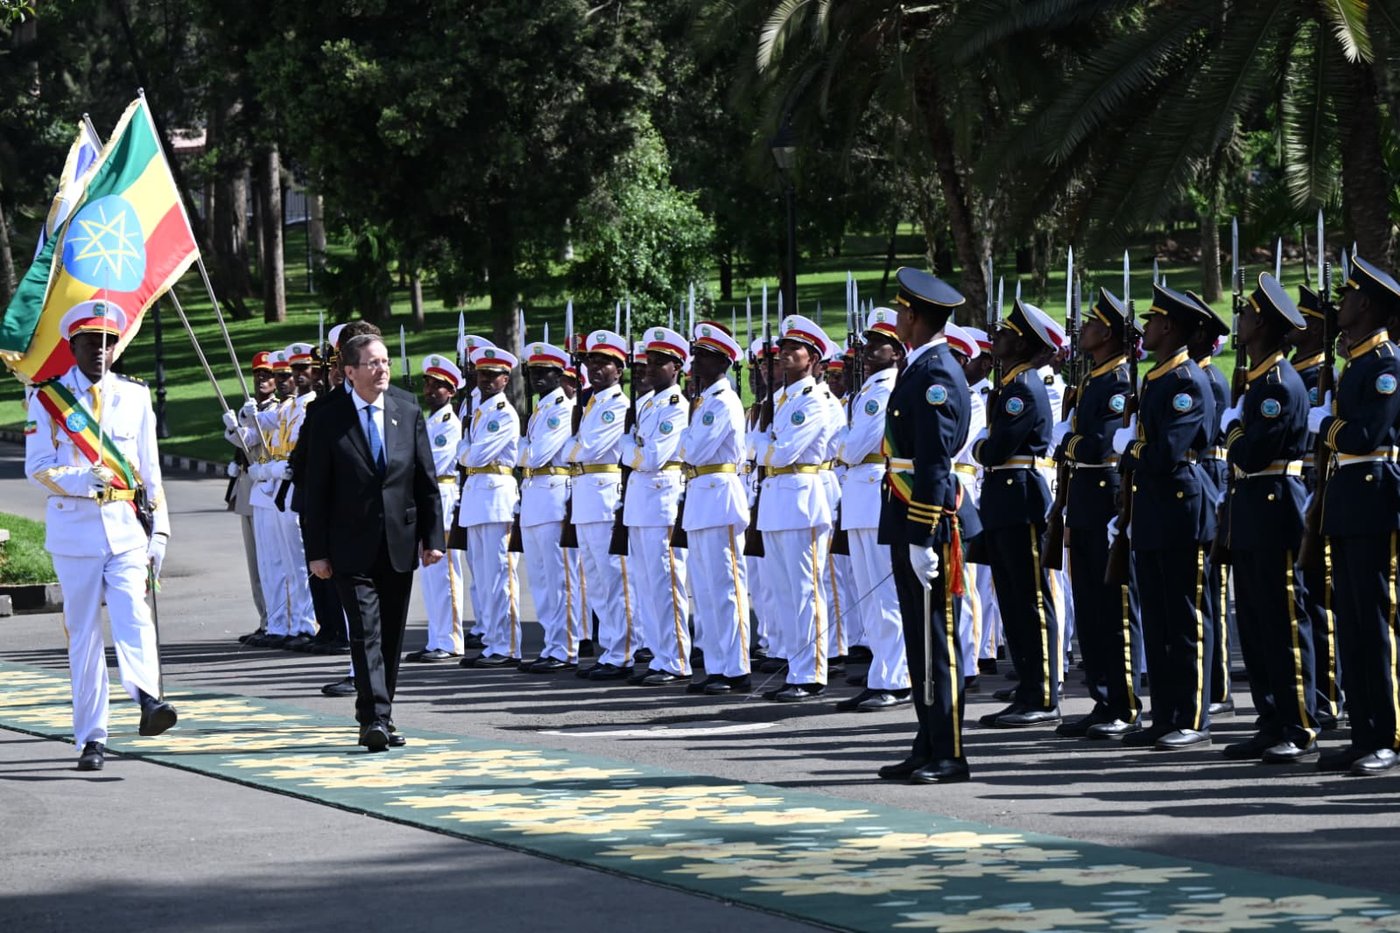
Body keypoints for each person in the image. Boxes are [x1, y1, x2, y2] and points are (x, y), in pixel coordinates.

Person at [25, 300, 176, 772]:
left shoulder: (134, 396)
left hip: (127, 530)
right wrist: (78, 480)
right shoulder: (47, 397)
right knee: (84, 637)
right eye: (91, 342)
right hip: (75, 533)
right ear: (73, 346)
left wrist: (161, 531)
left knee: (134, 613)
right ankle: (92, 736)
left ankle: (148, 698)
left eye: (109, 342)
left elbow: (150, 470)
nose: (100, 350)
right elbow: (38, 467)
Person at [300, 333, 445, 751]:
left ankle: (384, 712)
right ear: (349, 372)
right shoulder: (329, 416)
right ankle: (373, 718)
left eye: (385, 362)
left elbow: (424, 477)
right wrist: (317, 552)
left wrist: (432, 537)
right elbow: (315, 491)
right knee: (365, 632)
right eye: (372, 364)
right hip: (349, 546)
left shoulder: (406, 407)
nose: (382, 370)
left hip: (398, 540)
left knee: (392, 637)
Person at [876, 268, 978, 784]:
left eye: (900, 311)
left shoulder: (935, 374)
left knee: (938, 642)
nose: (896, 318)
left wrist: (921, 536)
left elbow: (936, 464)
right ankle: (928, 740)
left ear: (914, 317)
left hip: (927, 524)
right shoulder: (921, 367)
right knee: (920, 642)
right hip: (907, 514)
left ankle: (951, 752)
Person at [1112, 283, 1218, 750]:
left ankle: (1192, 718)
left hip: (1180, 508)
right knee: (1155, 616)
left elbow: (1166, 453)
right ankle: (1164, 714)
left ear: (1170, 326)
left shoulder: (1185, 382)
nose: (1145, 328)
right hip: (1154, 508)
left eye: (1152, 321)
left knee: (1185, 618)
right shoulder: (1157, 378)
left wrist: (1126, 448)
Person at [1218, 273, 1318, 763]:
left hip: (1276, 506)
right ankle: (1270, 717)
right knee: (1255, 625)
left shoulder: (1278, 383)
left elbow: (1254, 454)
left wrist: (1233, 428)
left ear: (1261, 322)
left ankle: (1298, 724)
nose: (1240, 318)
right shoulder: (1260, 380)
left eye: (1246, 313)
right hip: (1254, 508)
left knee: (1282, 623)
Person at [1310, 255, 1400, 776]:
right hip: (1348, 503)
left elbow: (1367, 436)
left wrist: (1327, 426)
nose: (1339, 305)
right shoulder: (1357, 363)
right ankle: (1364, 731)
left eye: (1345, 297)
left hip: (1375, 500)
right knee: (1353, 625)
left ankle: (1387, 734)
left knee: (1378, 625)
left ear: (1366, 304)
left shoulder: (1387, 365)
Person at [973, 298, 1061, 729]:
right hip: (1003, 497)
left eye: (1006, 333)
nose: (998, 338)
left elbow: (995, 448)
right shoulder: (1010, 384)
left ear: (1022, 342)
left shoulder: (1022, 388)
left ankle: (1041, 694)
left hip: (1019, 494)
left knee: (1029, 599)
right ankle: (1029, 686)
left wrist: (979, 448)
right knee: (1011, 599)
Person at [755, 314, 841, 702]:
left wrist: (761, 444)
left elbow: (782, 450)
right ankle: (794, 664)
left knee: (806, 589)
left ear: (813, 360)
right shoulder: (781, 400)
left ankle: (810, 672)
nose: (786, 355)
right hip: (777, 498)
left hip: (802, 498)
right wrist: (763, 444)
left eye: (796, 350)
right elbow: (757, 448)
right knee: (783, 590)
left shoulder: (815, 399)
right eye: (784, 349)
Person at [835, 307, 911, 712]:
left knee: (884, 591)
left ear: (897, 351)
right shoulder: (869, 388)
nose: (868, 351)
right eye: (867, 344)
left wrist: (842, 445)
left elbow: (850, 446)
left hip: (874, 489)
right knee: (869, 593)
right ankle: (883, 672)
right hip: (860, 494)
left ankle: (895, 678)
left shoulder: (884, 389)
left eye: (878, 345)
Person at [678, 322, 752, 694]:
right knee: (705, 590)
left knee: (726, 586)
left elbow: (691, 450)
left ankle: (736, 667)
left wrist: (685, 437)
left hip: (720, 497)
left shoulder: (722, 401)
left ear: (721, 361)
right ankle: (717, 665)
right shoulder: (704, 401)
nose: (695, 363)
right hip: (702, 498)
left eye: (703, 357)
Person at [622, 327, 693, 686]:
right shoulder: (648, 405)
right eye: (648, 361)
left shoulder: (676, 407)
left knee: (667, 584)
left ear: (677, 366)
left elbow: (651, 456)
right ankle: (658, 655)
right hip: (640, 504)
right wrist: (633, 448)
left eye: (659, 362)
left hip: (662, 501)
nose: (649, 368)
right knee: (646, 585)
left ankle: (676, 657)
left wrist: (626, 446)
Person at [569, 330, 638, 681]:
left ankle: (622, 649)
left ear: (619, 370)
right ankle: (611, 647)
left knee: (613, 579)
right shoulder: (590, 404)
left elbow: (587, 449)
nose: (594, 369)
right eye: (591, 362)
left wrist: (571, 446)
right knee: (595, 580)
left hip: (602, 492)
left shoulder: (616, 405)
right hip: (585, 494)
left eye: (604, 363)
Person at [1290, 285, 1342, 728]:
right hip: (1303, 484)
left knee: (1319, 597)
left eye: (1304, 319)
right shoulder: (1296, 372)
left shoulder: (1324, 373)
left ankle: (1327, 692)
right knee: (1306, 593)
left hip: (1318, 484)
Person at [455, 347, 523, 668]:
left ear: (505, 379)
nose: (485, 380)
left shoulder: (503, 413)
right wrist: (466, 450)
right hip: (477, 496)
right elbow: (467, 454)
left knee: (500, 575)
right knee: (483, 577)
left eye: (492, 375)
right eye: (481, 374)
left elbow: (474, 456)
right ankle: (493, 641)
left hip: (496, 496)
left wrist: (465, 449)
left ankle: (507, 645)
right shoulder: (479, 411)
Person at [517, 341, 580, 672]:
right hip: (534, 497)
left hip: (552, 497)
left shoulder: (560, 408)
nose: (538, 378)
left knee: (559, 579)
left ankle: (565, 646)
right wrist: (524, 448)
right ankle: (552, 644)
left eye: (545, 372)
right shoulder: (542, 409)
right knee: (540, 580)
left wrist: (522, 448)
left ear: (560, 374)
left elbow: (534, 455)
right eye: (534, 372)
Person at [1187, 305, 1236, 717]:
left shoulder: (1209, 379)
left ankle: (1218, 687)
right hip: (1203, 470)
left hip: (1211, 472)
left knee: (1213, 591)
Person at [405, 353, 467, 662]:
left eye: (438, 385)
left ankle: (451, 639)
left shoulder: (449, 425)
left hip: (442, 495)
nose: (430, 390)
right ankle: (436, 638)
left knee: (444, 573)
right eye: (428, 383)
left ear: (451, 391)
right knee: (430, 576)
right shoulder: (429, 421)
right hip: (426, 497)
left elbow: (432, 463)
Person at [225, 350, 276, 644]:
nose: (262, 380)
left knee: (272, 559)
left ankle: (278, 618)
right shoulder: (249, 407)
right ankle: (266, 618)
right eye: (258, 375)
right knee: (254, 560)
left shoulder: (279, 409)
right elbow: (244, 445)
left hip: (269, 485)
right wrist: (234, 429)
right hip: (247, 486)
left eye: (267, 375)